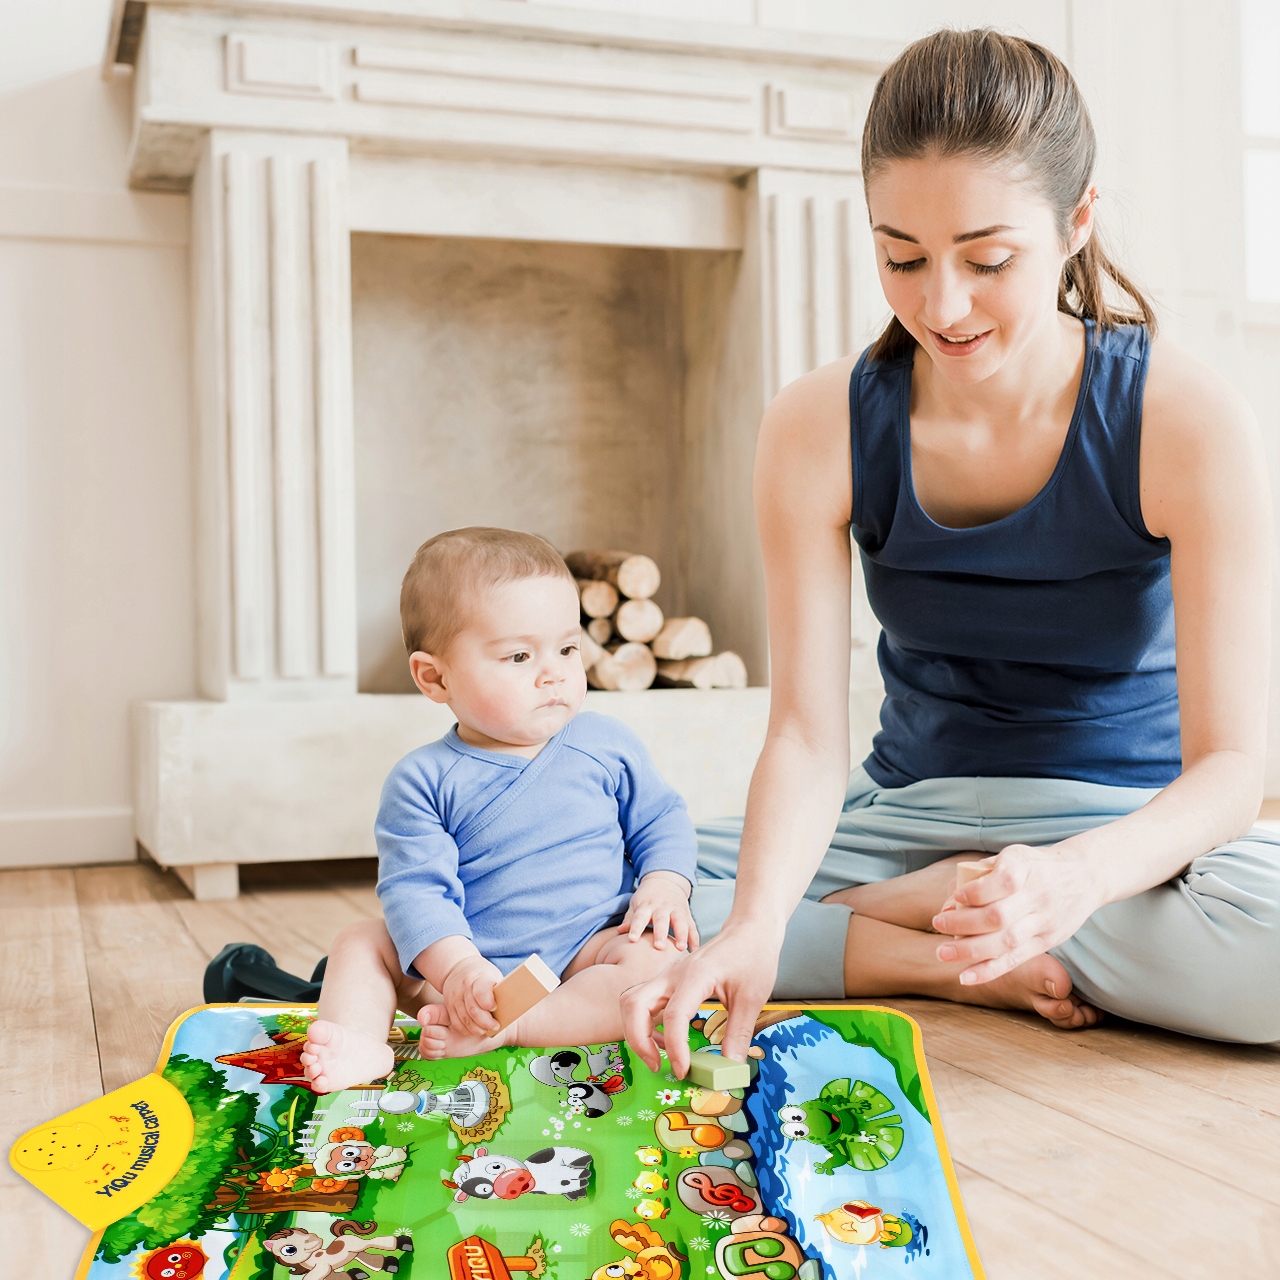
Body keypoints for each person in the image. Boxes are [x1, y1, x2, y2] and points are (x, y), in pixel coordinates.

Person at [622, 27, 1280, 1077]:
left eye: (987, 258)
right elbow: (800, 733)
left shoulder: (1182, 417)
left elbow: (1230, 771)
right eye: (900, 256)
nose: (941, 304)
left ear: (1074, 224)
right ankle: (924, 940)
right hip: (901, 812)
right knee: (580, 891)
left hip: (1118, 835)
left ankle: (891, 924)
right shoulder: (816, 422)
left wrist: (1071, 878)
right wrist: (751, 917)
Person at [301, 527, 698, 1092]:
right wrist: (458, 969)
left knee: (657, 961)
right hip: (472, 975)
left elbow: (661, 819)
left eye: (567, 649)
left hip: (590, 949)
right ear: (434, 677)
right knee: (361, 942)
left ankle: (525, 1026)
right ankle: (362, 1044)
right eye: (518, 655)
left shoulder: (606, 742)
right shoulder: (424, 779)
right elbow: (416, 892)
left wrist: (665, 884)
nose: (553, 672)